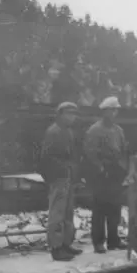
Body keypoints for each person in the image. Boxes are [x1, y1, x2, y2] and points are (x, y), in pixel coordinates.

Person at [84, 96, 128, 254]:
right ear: (105, 112)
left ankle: (113, 240)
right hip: (101, 176)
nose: (114, 113)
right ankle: (98, 242)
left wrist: (122, 169)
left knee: (115, 208)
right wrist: (101, 169)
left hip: (115, 174)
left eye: (116, 110)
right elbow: (90, 153)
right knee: (100, 210)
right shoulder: (95, 130)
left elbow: (123, 150)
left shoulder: (118, 130)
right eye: (112, 110)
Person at [39, 102, 82, 261]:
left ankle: (65, 244)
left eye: (74, 114)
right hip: (59, 177)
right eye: (69, 114)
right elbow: (46, 158)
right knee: (57, 213)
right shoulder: (53, 132)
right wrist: (54, 175)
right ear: (60, 114)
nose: (72, 117)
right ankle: (56, 248)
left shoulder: (68, 132)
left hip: (68, 176)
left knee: (68, 212)